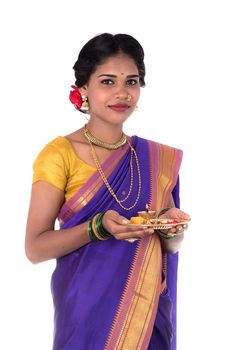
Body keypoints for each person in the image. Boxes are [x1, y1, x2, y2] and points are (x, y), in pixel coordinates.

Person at [25, 32, 190, 350]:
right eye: (107, 82)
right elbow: (35, 248)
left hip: (146, 314)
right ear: (83, 87)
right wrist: (97, 228)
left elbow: (170, 246)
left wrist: (172, 230)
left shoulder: (155, 158)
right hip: (86, 314)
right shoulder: (59, 154)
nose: (122, 93)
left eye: (131, 81)